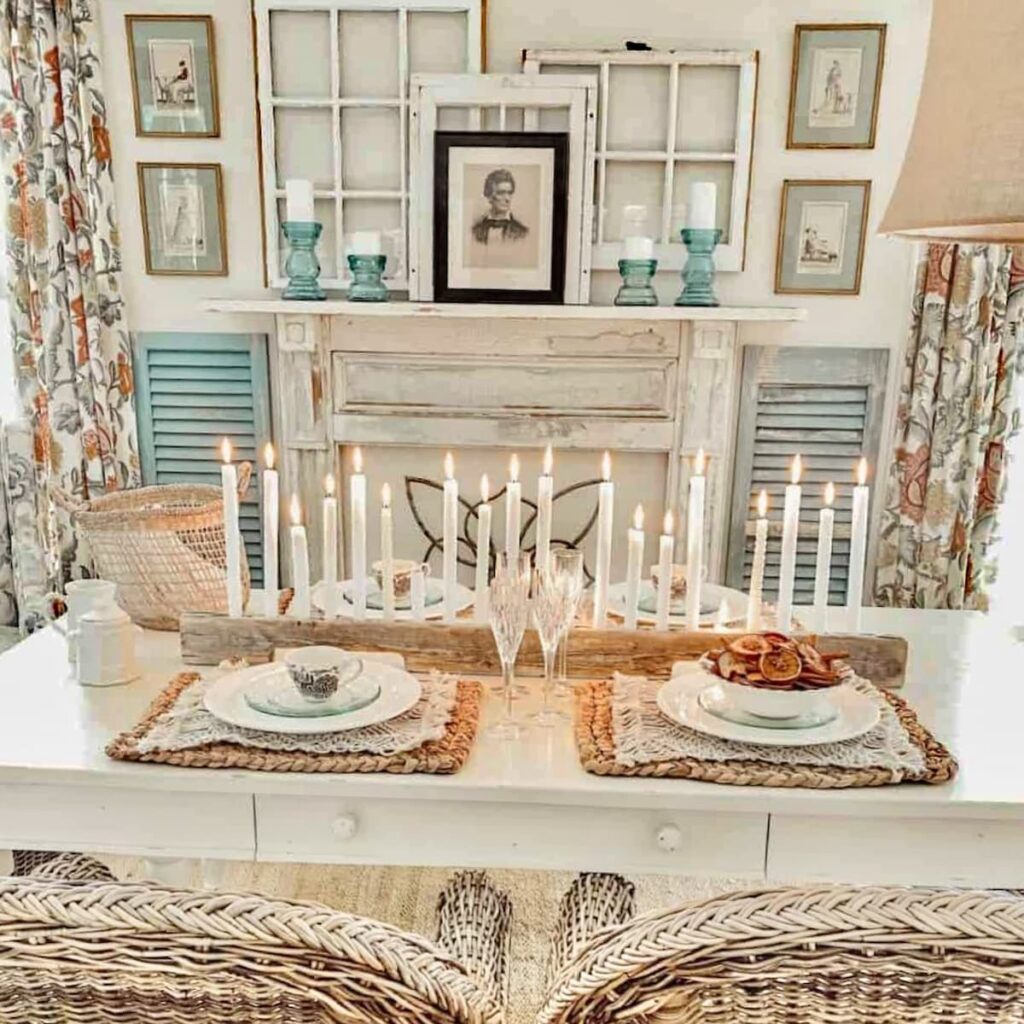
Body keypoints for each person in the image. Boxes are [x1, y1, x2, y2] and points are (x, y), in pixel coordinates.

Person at [471, 168, 529, 245]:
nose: (507, 199)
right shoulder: (475, 232)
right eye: (501, 193)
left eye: (509, 193)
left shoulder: (522, 233)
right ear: (489, 196)